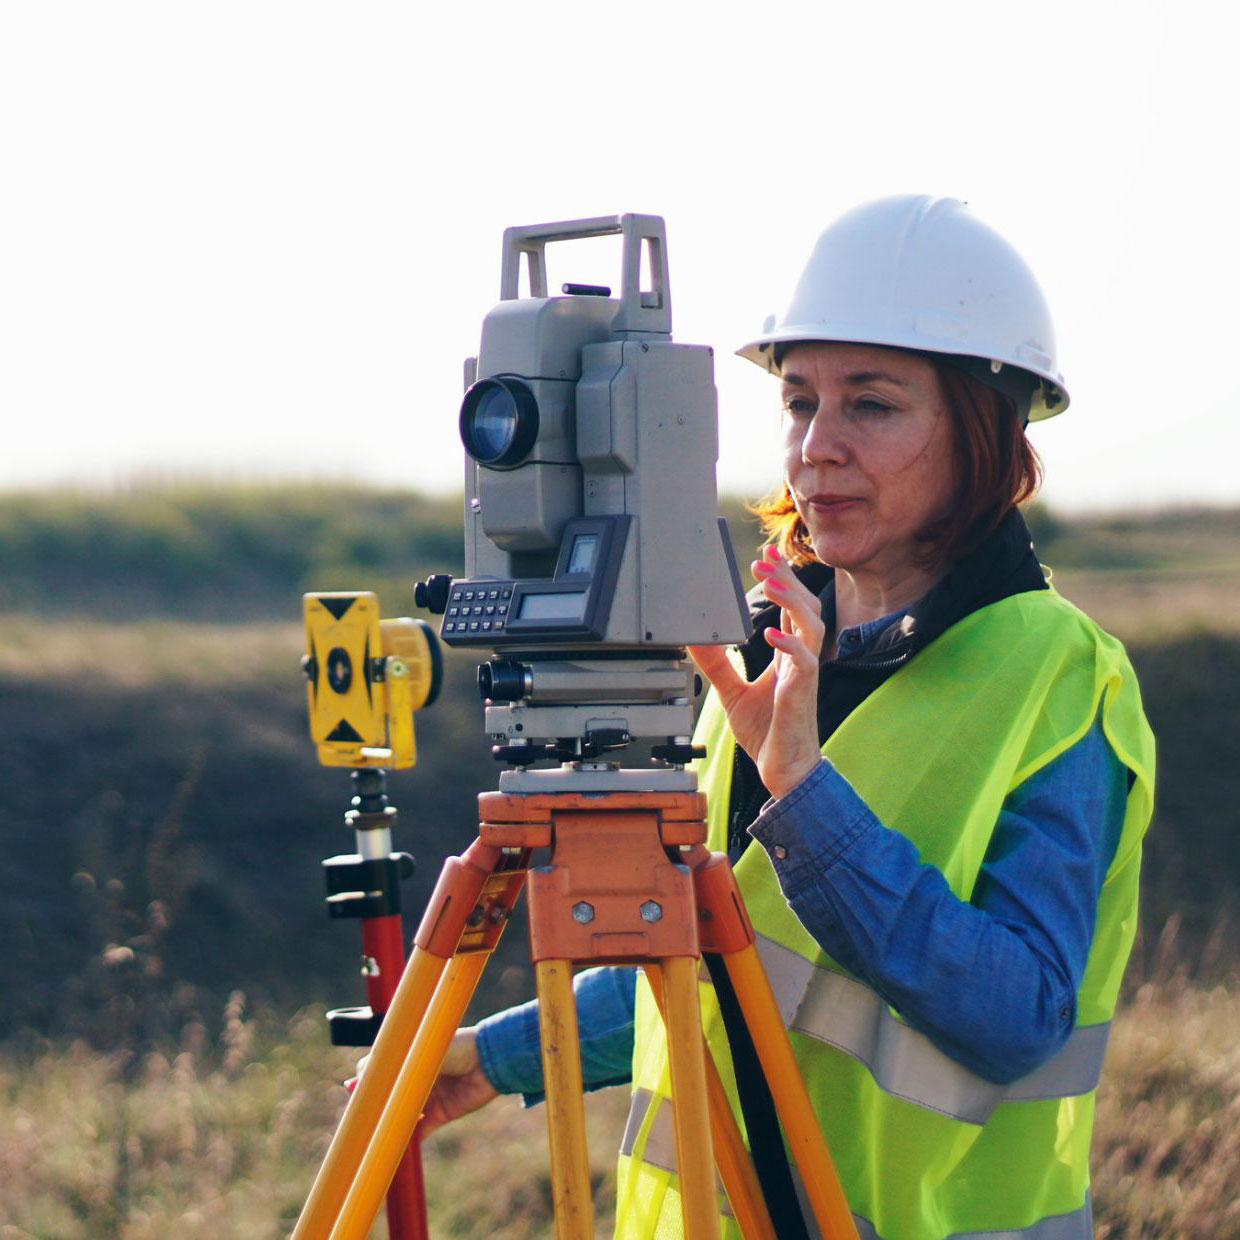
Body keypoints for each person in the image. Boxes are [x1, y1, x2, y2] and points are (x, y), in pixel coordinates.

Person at [415, 196, 1156, 1240]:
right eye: (799, 402)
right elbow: (728, 963)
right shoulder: (760, 651)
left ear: (984, 428)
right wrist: (490, 1057)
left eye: (872, 405)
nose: (816, 447)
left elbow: (1015, 1019)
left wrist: (806, 799)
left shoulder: (1054, 671)